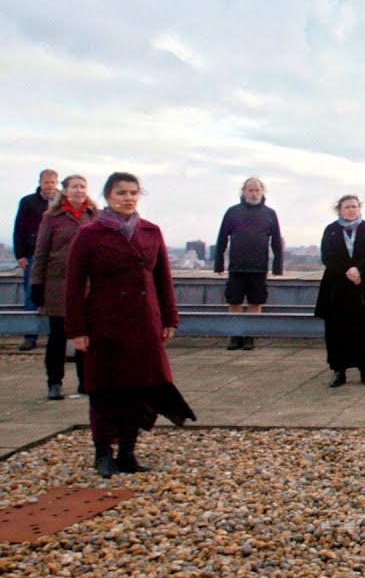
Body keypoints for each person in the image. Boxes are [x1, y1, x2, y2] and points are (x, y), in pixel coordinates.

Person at [65, 172, 196, 477]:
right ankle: (103, 454)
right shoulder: (89, 234)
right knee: (104, 390)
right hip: (104, 322)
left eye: (133, 192)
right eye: (121, 192)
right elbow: (73, 285)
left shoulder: (151, 232)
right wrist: (76, 330)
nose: (128, 198)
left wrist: (169, 318)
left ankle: (127, 452)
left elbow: (163, 278)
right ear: (108, 196)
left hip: (144, 322)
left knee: (138, 389)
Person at [30, 174, 98, 400]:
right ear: (65, 191)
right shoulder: (52, 217)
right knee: (58, 336)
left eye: (82, 186)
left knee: (86, 336)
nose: (79, 190)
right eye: (74, 187)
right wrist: (37, 284)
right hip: (58, 284)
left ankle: (86, 382)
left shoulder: (95, 216)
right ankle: (54, 383)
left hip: (88, 286)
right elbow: (40, 253)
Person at [315, 195, 365, 388]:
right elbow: (327, 256)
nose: (351, 210)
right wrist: (347, 271)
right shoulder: (331, 230)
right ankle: (339, 371)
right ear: (339, 210)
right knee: (337, 331)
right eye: (347, 207)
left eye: (354, 206)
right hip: (337, 287)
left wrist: (359, 270)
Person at [213, 177, 285, 351]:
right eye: (250, 190)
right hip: (237, 266)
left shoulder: (269, 213)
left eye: (257, 190)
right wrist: (219, 263)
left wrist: (278, 265)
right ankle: (234, 336)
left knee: (255, 302)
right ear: (243, 192)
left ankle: (249, 337)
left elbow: (276, 240)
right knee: (234, 302)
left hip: (259, 267)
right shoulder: (232, 212)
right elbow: (222, 238)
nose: (254, 193)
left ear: (262, 192)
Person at [13, 168, 59, 351]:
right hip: (33, 255)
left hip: (56, 256)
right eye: (46, 182)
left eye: (53, 182)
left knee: (54, 296)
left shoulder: (62, 203)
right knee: (32, 295)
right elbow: (19, 228)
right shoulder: (28, 202)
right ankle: (30, 336)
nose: (49, 186)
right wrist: (20, 255)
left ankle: (53, 335)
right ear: (40, 182)